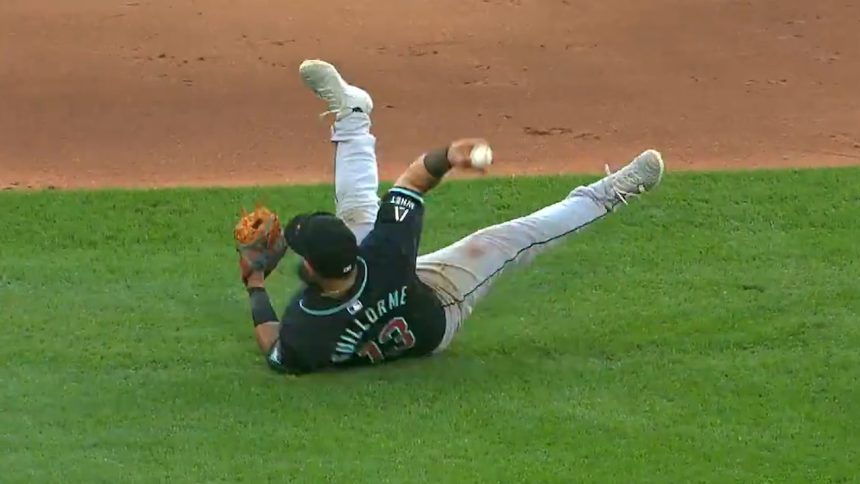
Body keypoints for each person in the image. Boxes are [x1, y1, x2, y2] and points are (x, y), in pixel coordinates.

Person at [242, 59, 665, 374]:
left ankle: (352, 113)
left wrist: (255, 282)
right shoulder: (383, 253)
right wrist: (450, 156)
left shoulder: (306, 325)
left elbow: (271, 344)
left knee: (358, 209)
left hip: (423, 294)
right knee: (504, 241)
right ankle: (609, 194)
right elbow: (413, 180)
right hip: (439, 307)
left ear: (314, 267)